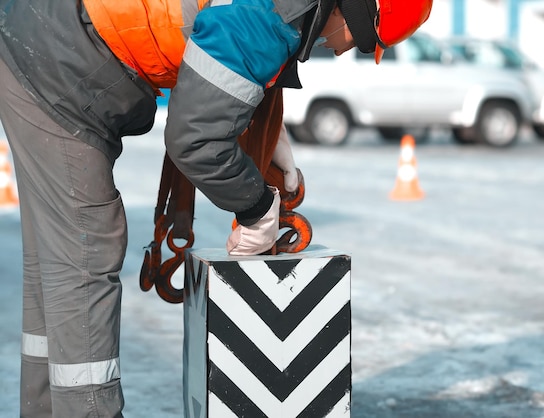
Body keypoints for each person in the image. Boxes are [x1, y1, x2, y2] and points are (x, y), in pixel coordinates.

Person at [0, 0, 433, 416]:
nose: (341, 50)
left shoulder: (284, 7)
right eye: (359, 41)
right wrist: (256, 207)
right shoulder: (275, 14)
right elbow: (196, 140)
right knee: (85, 248)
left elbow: (212, 58)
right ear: (356, 11)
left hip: (43, 36)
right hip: (59, 58)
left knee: (57, 266)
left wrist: (264, 130)